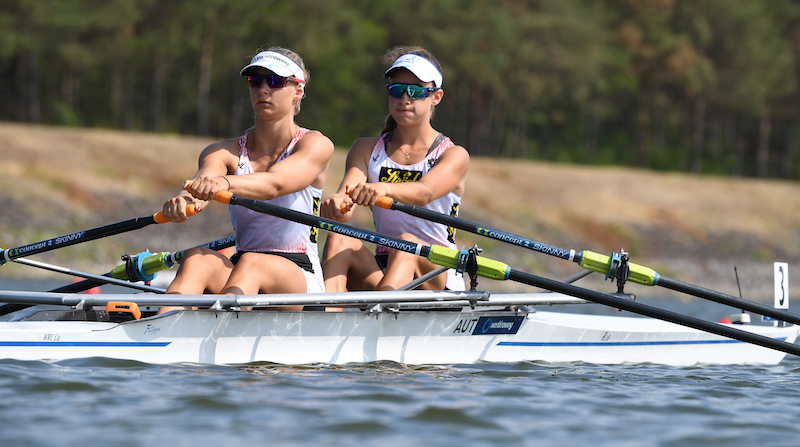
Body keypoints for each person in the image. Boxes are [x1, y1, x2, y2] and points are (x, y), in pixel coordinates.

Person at [158, 47, 333, 312]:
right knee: (197, 259)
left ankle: (216, 334)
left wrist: (225, 183)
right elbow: (201, 184)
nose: (263, 89)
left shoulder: (315, 145)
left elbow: (275, 184)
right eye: (255, 81)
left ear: (298, 90)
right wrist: (184, 200)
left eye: (275, 82)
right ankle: (159, 332)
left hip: (299, 279)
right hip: (243, 272)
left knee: (253, 262)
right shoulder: (222, 151)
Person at [320, 46, 469, 292]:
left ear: (436, 96)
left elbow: (425, 193)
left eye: (415, 91)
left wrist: (383, 188)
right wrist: (337, 205)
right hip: (384, 267)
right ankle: (326, 319)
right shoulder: (365, 149)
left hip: (436, 273)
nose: (404, 98)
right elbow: (345, 200)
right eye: (397, 90)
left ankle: (377, 311)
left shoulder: (453, 154)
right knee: (339, 235)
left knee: (407, 243)